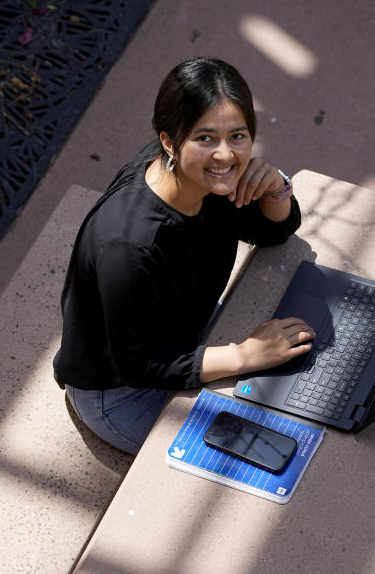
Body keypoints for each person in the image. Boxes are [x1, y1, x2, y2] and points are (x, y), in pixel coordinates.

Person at [53, 57, 315, 454]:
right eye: (205, 138)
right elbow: (136, 364)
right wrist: (244, 355)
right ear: (168, 141)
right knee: (268, 451)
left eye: (238, 136)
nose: (225, 155)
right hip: (122, 392)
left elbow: (272, 232)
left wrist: (276, 187)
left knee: (298, 398)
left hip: (185, 333)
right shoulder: (130, 246)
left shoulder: (206, 179)